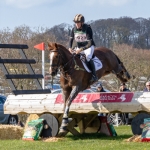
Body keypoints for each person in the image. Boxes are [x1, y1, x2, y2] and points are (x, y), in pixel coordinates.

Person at [68, 14, 98, 82]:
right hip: (79, 47)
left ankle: (94, 75)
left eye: (78, 23)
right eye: (76, 23)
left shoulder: (87, 28)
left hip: (88, 47)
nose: (77, 24)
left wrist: (81, 50)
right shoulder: (74, 29)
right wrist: (70, 47)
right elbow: (71, 39)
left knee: (88, 57)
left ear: (82, 23)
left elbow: (89, 43)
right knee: (72, 57)